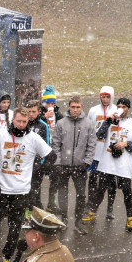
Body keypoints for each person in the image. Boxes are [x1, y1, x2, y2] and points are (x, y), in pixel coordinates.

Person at [0, 108, 54, 262]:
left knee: (14, 228)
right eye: (19, 121)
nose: (21, 125)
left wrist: (36, 171)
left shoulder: (33, 138)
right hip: (2, 191)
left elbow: (52, 156)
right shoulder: (2, 135)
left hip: (22, 192)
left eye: (24, 122)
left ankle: (7, 259)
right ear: (13, 120)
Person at [87, 98, 132, 231]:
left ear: (128, 109)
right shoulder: (110, 122)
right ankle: (93, 212)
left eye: (124, 106)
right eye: (118, 106)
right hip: (107, 162)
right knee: (101, 188)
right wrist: (107, 121)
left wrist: (126, 144)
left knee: (127, 192)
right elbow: (99, 135)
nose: (121, 108)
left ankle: (129, 218)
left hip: (124, 164)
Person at [50, 96, 96, 234]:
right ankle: (63, 219)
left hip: (80, 166)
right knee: (63, 194)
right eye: (73, 107)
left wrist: (87, 162)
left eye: (78, 107)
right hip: (63, 165)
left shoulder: (88, 124)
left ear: (82, 107)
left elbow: (91, 145)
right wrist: (57, 162)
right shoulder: (61, 123)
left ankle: (78, 221)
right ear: (69, 107)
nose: (75, 110)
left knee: (81, 195)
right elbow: (55, 144)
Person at [85, 85, 116, 216]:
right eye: (103, 96)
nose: (105, 99)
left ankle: (110, 207)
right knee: (92, 179)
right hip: (95, 151)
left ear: (112, 97)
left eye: (108, 97)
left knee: (110, 181)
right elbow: (88, 128)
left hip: (109, 152)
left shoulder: (116, 110)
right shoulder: (93, 110)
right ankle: (90, 203)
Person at [23, 99, 53, 209]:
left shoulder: (43, 125)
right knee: (23, 192)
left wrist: (41, 164)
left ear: (38, 112)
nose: (31, 114)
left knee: (35, 193)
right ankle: (24, 216)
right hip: (23, 164)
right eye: (29, 111)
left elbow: (47, 146)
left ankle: (34, 215)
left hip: (36, 165)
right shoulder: (22, 123)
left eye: (33, 112)